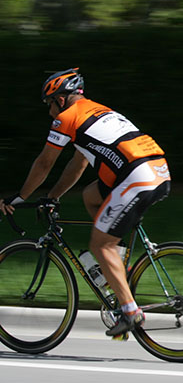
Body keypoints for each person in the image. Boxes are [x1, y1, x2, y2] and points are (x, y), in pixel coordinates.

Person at [0, 68, 171, 336]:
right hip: (156, 170)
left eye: (49, 104)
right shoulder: (96, 111)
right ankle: (116, 266)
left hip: (135, 177)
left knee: (99, 243)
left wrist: (21, 196)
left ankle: (130, 312)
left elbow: (45, 162)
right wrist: (53, 196)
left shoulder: (67, 118)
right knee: (90, 196)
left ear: (60, 99)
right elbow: (77, 164)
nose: (50, 113)